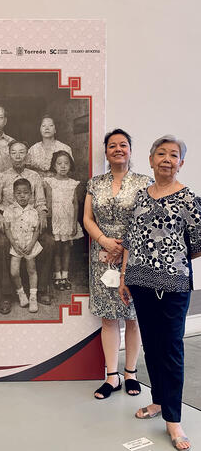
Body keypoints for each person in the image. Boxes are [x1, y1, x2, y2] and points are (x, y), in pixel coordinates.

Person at [119, 135, 201, 451]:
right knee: (151, 347)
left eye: (174, 155)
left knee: (171, 350)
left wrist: (169, 258)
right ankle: (157, 401)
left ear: (181, 163)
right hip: (139, 281)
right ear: (151, 160)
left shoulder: (188, 199)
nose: (167, 159)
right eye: (161, 153)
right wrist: (126, 277)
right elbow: (131, 239)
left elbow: (195, 244)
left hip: (174, 285)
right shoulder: (141, 196)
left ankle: (173, 419)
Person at [83, 129, 152, 399]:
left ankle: (131, 373)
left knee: (133, 317)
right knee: (108, 318)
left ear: (131, 151)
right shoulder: (94, 183)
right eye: (112, 146)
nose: (118, 149)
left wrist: (123, 246)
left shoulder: (144, 182)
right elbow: (87, 218)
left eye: (123, 145)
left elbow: (146, 220)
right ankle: (112, 376)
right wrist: (105, 241)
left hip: (134, 256)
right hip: (102, 257)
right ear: (106, 151)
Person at [0, 140, 54, 313]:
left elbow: (41, 202)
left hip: (31, 221)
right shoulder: (2, 177)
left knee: (48, 242)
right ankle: (5, 295)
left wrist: (42, 214)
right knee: (2, 245)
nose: (18, 156)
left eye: (21, 152)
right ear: (9, 155)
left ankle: (41, 290)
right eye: (14, 152)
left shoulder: (34, 176)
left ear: (26, 155)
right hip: (10, 223)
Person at [44, 150, 83, 291]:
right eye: (59, 163)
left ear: (70, 165)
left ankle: (65, 276)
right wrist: (49, 222)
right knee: (56, 248)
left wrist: (73, 223)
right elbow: (48, 203)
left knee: (66, 247)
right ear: (54, 166)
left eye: (66, 163)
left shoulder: (72, 183)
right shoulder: (50, 182)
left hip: (68, 220)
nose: (63, 166)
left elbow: (75, 204)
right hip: (56, 219)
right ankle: (57, 275)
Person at [3, 178, 43, 313]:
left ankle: (33, 297)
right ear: (14, 194)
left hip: (29, 245)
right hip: (16, 245)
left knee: (32, 270)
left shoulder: (33, 211)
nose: (22, 196)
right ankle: (21, 293)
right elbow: (7, 229)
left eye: (25, 193)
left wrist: (31, 245)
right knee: (14, 271)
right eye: (19, 193)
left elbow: (37, 230)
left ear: (30, 194)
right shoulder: (9, 210)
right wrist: (13, 244)